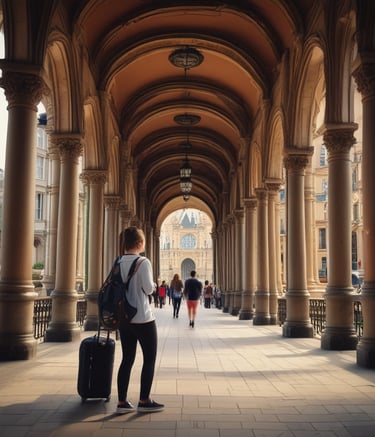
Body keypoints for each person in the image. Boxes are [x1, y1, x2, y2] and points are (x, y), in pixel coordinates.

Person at [116, 226, 164, 414]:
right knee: (149, 359)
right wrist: (153, 283)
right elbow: (149, 289)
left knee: (127, 359)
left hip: (124, 318)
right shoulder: (143, 262)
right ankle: (144, 400)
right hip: (143, 317)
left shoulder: (118, 261)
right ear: (139, 243)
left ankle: (121, 401)